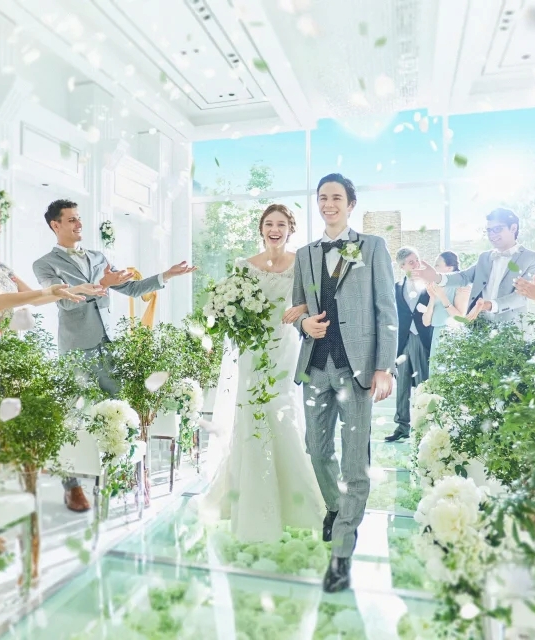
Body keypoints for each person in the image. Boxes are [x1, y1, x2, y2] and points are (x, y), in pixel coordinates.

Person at [0, 196, 102, 552]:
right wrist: (48, 290)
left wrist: (70, 290)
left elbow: (31, 296)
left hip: (9, 354)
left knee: (9, 435)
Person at [33, 199, 195, 511]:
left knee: (121, 410)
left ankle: (119, 475)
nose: (79, 224)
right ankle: (71, 484)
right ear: (55, 225)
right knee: (72, 416)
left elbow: (131, 289)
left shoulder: (98, 257)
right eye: (71, 220)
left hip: (108, 347)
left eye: (79, 218)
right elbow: (64, 301)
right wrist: (99, 284)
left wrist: (167, 275)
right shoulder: (45, 264)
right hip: (76, 351)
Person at [292, 174, 397, 593]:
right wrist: (304, 323)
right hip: (315, 367)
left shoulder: (372, 247)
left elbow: (386, 309)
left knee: (355, 463)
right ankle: (337, 507)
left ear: (351, 204)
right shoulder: (305, 254)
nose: (328, 204)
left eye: (336, 197)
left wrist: (384, 366)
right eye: (323, 198)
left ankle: (341, 554)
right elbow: (298, 307)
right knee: (317, 450)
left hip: (357, 370)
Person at [195, 204, 325, 543]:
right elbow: (230, 308)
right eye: (269, 224)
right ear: (261, 229)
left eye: (281, 224)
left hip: (285, 348)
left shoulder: (301, 263)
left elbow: (316, 300)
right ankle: (249, 501)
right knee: (251, 414)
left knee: (281, 412)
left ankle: (294, 502)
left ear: (290, 229)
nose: (275, 229)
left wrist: (303, 308)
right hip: (252, 352)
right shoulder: (244, 265)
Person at [414, 209, 535, 325]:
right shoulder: (484, 257)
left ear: (513, 228)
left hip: (512, 330)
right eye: (489, 230)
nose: (491, 234)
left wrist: (489, 305)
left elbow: (524, 296)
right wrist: (436, 277)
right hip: (480, 327)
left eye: (497, 229)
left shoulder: (534, 259)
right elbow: (464, 277)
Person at [385, 247, 433, 443]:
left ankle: (426, 426)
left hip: (422, 338)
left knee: (424, 384)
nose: (416, 264)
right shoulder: (396, 288)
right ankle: (402, 426)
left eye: (417, 260)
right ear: (402, 266)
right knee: (402, 384)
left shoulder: (430, 285)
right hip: (402, 340)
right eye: (411, 262)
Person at [422, 251, 471, 361]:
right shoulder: (434, 286)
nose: (434, 268)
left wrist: (442, 296)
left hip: (452, 335)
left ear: (449, 268)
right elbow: (426, 322)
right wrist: (433, 297)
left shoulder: (462, 286)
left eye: (437, 265)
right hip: (436, 335)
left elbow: (460, 318)